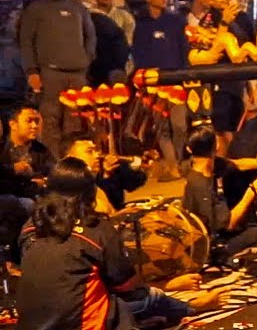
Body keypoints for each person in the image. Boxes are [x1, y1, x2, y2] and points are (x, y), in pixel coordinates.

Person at [17, 158, 221, 330]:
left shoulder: (30, 225)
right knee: (146, 297)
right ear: (90, 192)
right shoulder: (95, 229)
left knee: (92, 285)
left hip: (31, 322)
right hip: (80, 324)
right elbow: (127, 286)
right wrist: (165, 285)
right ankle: (190, 307)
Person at [19, 0, 96, 155]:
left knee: (76, 121)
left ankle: (73, 162)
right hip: (50, 73)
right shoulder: (36, 9)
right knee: (50, 121)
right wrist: (32, 71)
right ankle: (52, 164)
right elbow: (26, 41)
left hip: (77, 74)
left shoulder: (77, 7)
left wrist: (87, 58)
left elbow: (90, 35)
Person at [182, 126, 257, 256]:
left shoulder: (195, 165)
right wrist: (252, 191)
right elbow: (229, 224)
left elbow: (236, 164)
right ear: (216, 147)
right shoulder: (203, 186)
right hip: (213, 245)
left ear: (189, 148)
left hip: (208, 238)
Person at [133, 0, 191, 181]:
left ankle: (178, 159)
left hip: (175, 80)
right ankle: (172, 166)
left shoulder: (176, 21)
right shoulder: (141, 25)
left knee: (180, 125)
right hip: (152, 82)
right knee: (161, 128)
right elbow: (138, 53)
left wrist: (185, 74)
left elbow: (184, 49)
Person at [205, 0, 255, 153]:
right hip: (218, 81)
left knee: (239, 125)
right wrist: (224, 23)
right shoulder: (209, 20)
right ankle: (225, 163)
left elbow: (251, 47)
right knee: (222, 128)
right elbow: (213, 50)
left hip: (239, 81)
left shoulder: (242, 18)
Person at [0, 103, 53, 262]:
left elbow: (54, 173)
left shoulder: (40, 150)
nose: (34, 126)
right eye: (29, 121)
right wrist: (15, 171)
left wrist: (40, 180)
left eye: (36, 121)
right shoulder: (2, 147)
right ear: (13, 124)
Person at [63, 133, 147, 214]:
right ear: (69, 158)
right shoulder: (66, 188)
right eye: (89, 151)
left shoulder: (91, 183)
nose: (97, 155)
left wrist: (107, 174)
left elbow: (130, 186)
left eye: (96, 150)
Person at [86, 0, 132, 88]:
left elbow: (129, 41)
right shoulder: (87, 16)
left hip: (119, 66)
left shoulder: (125, 17)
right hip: (94, 66)